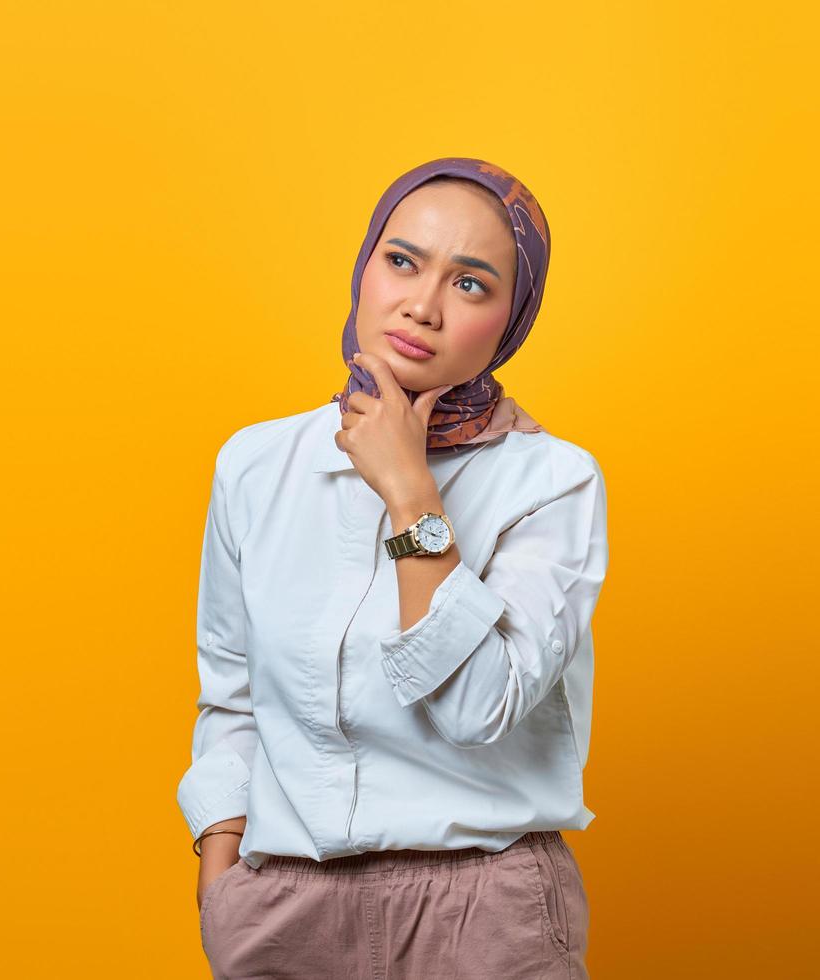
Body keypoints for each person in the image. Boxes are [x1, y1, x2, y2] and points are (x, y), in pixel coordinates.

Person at [176, 157, 606, 979]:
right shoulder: (256, 464)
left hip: (484, 916)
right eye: (401, 260)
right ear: (365, 265)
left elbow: (481, 708)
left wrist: (411, 494)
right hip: (285, 910)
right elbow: (230, 692)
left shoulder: (553, 482)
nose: (421, 305)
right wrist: (221, 867)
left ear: (510, 320)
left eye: (471, 285)